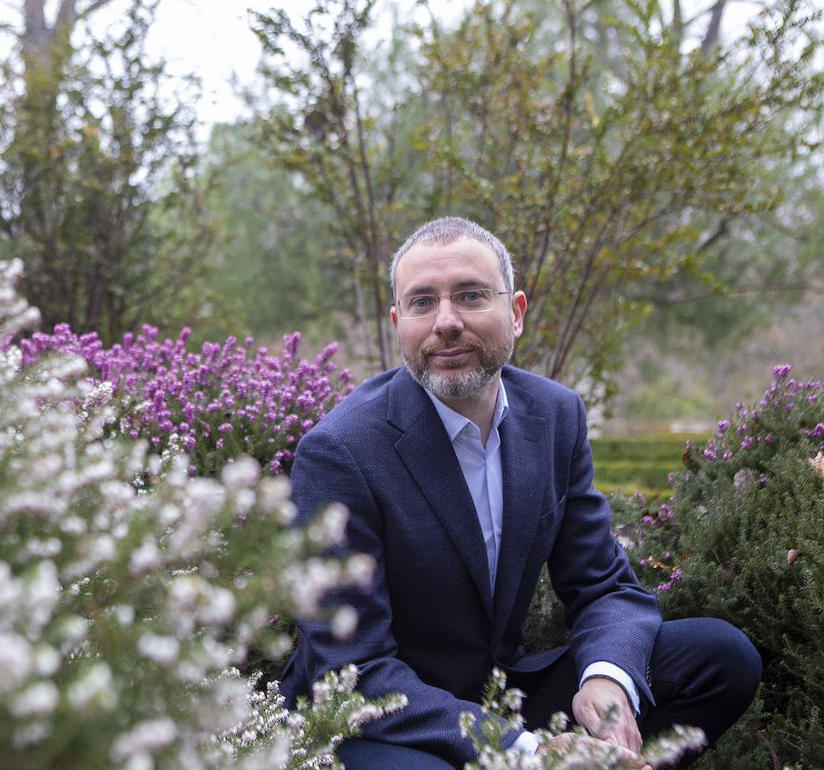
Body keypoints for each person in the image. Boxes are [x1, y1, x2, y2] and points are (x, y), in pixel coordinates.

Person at [279, 217, 761, 769]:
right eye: (421, 303)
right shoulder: (341, 452)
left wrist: (607, 682)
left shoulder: (555, 416)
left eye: (470, 295)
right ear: (398, 324)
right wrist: (525, 750)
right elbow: (353, 669)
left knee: (721, 656)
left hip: (500, 691)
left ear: (517, 312)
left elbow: (603, 585)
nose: (447, 322)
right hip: (380, 719)